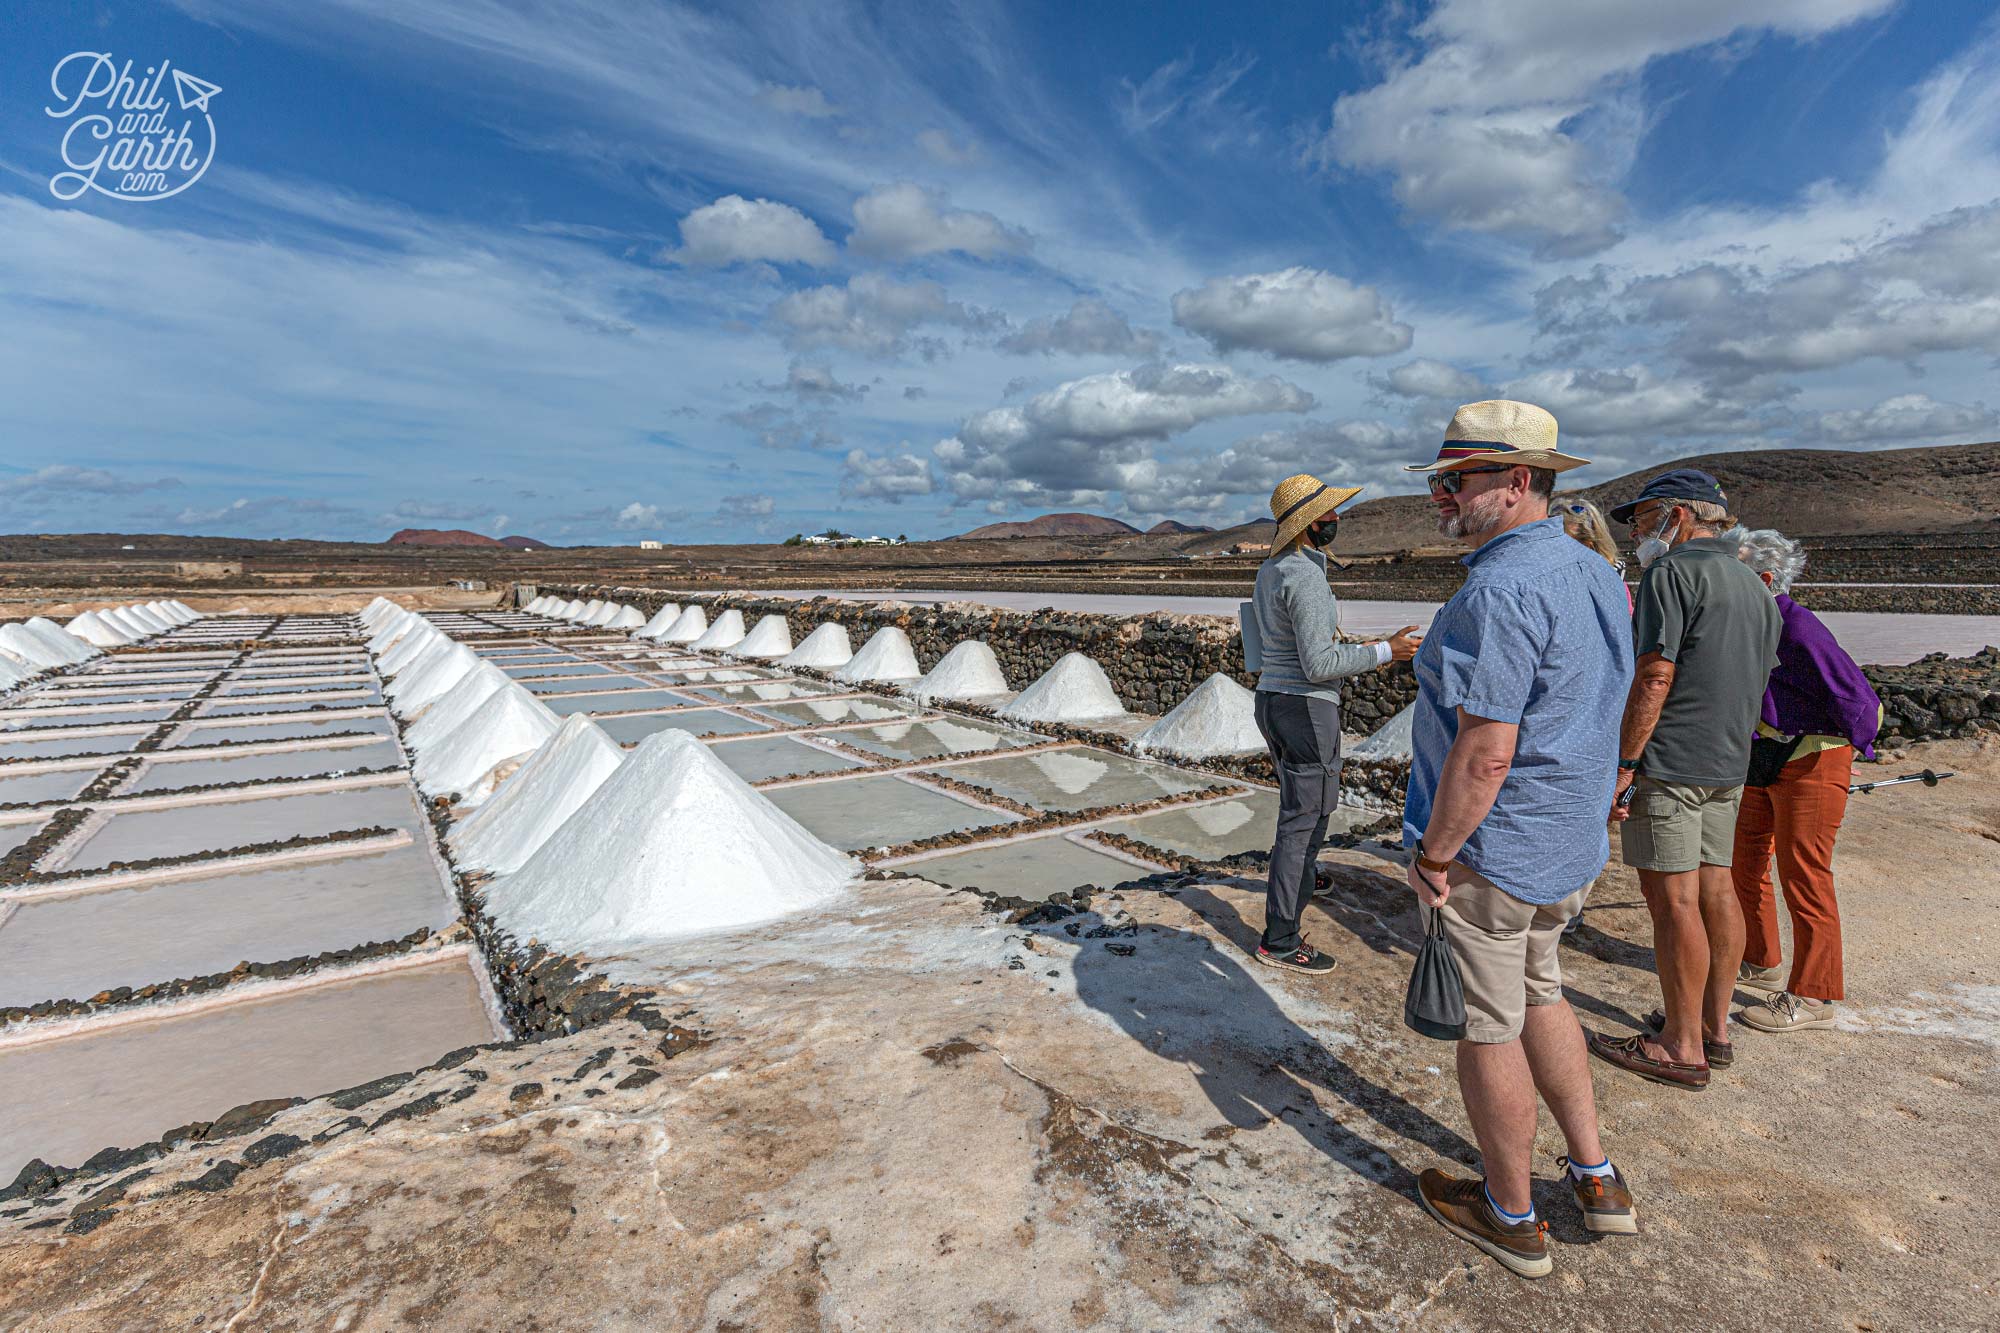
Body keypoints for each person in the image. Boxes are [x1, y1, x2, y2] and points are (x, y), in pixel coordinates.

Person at [1400, 401, 1638, 1278]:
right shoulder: (1591, 570)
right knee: (1543, 988)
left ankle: (1510, 1213)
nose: (1439, 497)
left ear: (1514, 481)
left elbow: (1487, 749)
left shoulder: (1497, 589)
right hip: (1567, 840)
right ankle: (1597, 1175)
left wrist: (1434, 855)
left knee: (1488, 1026)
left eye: (1453, 480)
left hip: (1494, 852)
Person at [1590, 469, 1781, 1091]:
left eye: (1643, 517)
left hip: (1671, 762)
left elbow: (1654, 676)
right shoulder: (1755, 584)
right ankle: (1712, 1028)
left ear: (1677, 515)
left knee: (1673, 902)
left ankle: (1679, 1045)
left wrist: (1623, 763)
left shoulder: (1672, 574)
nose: (1638, 531)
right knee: (1717, 891)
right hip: (1727, 762)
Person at [1250, 473, 1420, 974]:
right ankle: (1280, 937)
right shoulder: (1304, 576)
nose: (1336, 521)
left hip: (1273, 699)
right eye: (1330, 515)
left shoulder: (1272, 569)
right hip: (1306, 706)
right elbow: (1320, 665)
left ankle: (1304, 873)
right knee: (1304, 820)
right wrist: (1388, 651)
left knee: (1299, 807)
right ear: (1308, 525)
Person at [1725, 526, 1881, 1034]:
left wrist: (1850, 748)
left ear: (1765, 579)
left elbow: (1861, 702)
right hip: (1764, 751)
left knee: (1804, 874)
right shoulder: (1747, 624)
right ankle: (1761, 959)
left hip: (1812, 756)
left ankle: (1814, 996)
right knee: (1743, 863)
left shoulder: (1799, 627)